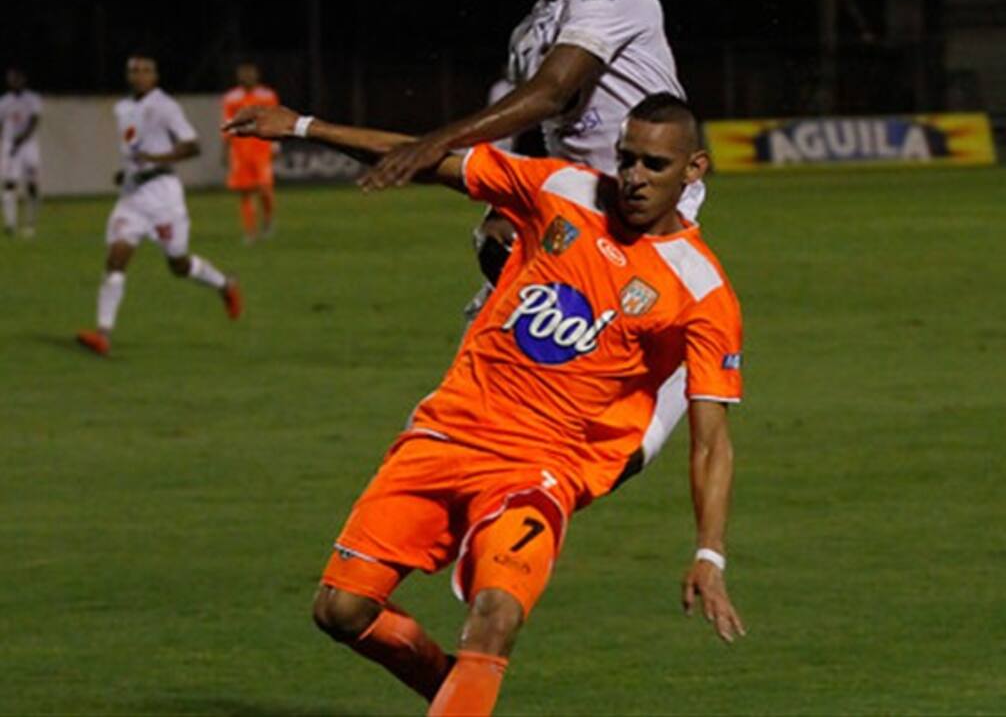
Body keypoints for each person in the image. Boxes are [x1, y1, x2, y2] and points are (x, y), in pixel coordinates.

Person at [226, 93, 745, 716]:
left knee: (495, 617)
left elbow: (711, 439)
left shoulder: (702, 289)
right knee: (341, 610)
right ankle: (458, 695)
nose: (633, 177)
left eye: (654, 166)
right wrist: (305, 126)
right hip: (445, 435)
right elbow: (430, 158)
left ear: (694, 170)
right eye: (627, 158)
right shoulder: (563, 188)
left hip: (538, 470)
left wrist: (708, 554)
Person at [367, 0, 701, 468]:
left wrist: (430, 144)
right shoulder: (529, 33)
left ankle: (654, 403)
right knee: (498, 345)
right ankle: (479, 468)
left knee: (584, 349)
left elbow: (552, 91)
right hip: (580, 213)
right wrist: (503, 209)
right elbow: (538, 134)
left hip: (646, 207)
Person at [76, 54, 242, 357]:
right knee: (115, 259)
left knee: (178, 264)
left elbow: (192, 145)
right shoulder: (122, 108)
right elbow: (135, 150)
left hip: (163, 198)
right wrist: (127, 172)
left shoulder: (165, 106)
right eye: (134, 70)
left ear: (155, 76)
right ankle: (103, 335)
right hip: (132, 199)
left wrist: (154, 162)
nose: (139, 75)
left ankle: (224, 284)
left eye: (145, 70)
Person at [221, 60, 280, 243]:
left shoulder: (267, 96)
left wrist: (276, 143)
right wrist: (225, 149)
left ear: (256, 75)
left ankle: (268, 220)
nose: (246, 76)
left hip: (262, 149)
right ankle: (250, 231)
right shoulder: (231, 98)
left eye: (249, 72)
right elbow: (227, 124)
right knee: (245, 192)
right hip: (240, 151)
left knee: (264, 189)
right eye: (243, 73)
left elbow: (276, 119)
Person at [0, 66, 43, 238]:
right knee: (9, 183)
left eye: (17, 78)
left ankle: (30, 224)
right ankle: (10, 224)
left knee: (32, 184)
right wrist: (7, 143)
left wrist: (22, 138)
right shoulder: (4, 101)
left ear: (23, 79)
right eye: (11, 78)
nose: (14, 82)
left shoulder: (32, 99)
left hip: (28, 145)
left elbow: (35, 120)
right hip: (10, 145)